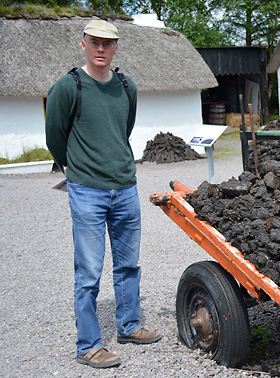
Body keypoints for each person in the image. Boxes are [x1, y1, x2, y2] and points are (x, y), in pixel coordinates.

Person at [45, 19, 161, 369]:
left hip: (125, 187)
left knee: (128, 264)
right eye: (94, 42)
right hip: (87, 191)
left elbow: (124, 129)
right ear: (83, 44)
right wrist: (78, 168)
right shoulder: (68, 87)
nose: (100, 49)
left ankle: (128, 326)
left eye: (107, 44)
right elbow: (55, 136)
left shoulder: (127, 87)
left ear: (115, 48)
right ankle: (88, 345)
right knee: (89, 270)